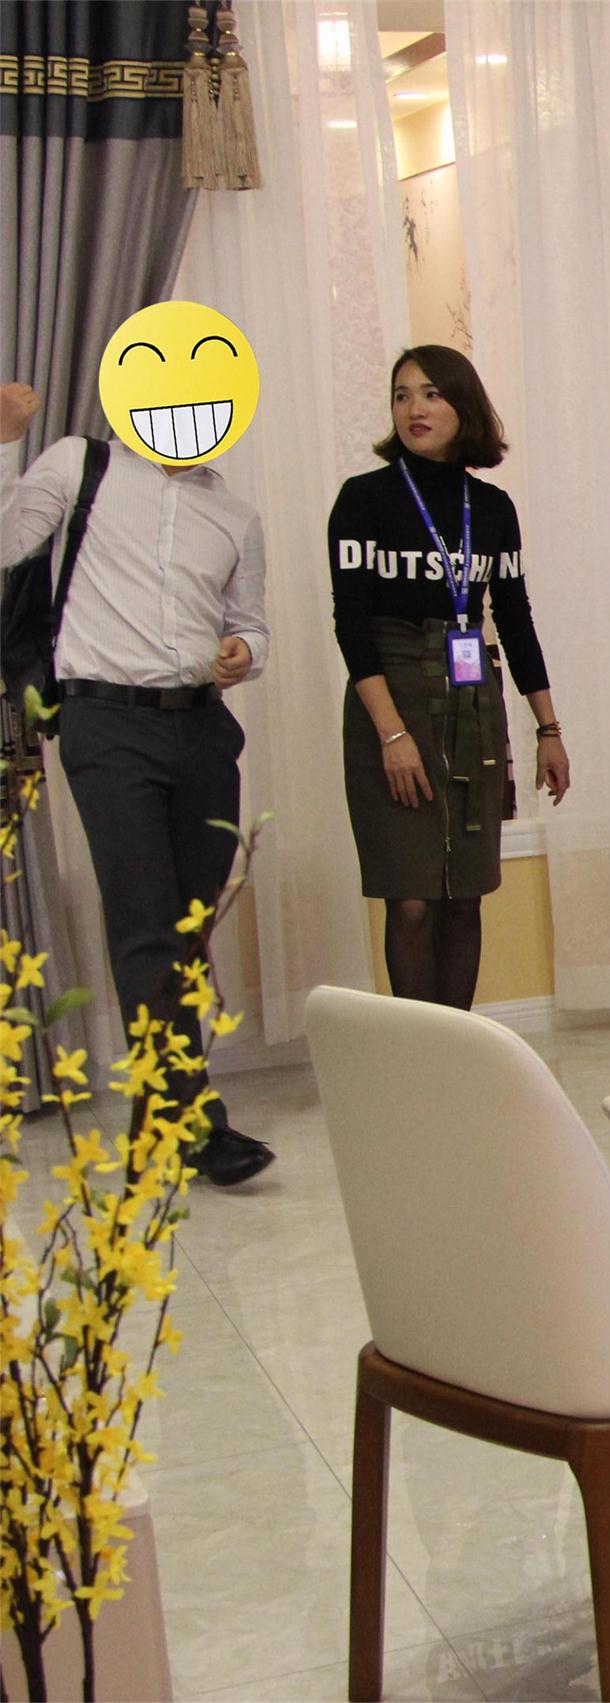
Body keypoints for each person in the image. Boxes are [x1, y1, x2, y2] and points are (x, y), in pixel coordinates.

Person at [0, 378, 272, 1185]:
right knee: (146, 922)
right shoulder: (77, 464)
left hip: (202, 729)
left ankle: (162, 1116)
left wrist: (246, 653)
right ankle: (195, 1123)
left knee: (187, 929)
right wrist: (5, 441)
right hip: (105, 724)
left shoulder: (234, 515)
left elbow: (250, 625)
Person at [328, 347, 567, 1009]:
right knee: (410, 900)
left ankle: (458, 1048)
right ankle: (417, 1055)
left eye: (431, 393)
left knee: (464, 894)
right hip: (392, 694)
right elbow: (351, 625)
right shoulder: (363, 500)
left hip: (470, 698)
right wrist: (391, 735)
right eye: (402, 395)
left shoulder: (491, 508)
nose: (414, 408)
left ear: (463, 405)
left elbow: (514, 621)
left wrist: (548, 730)